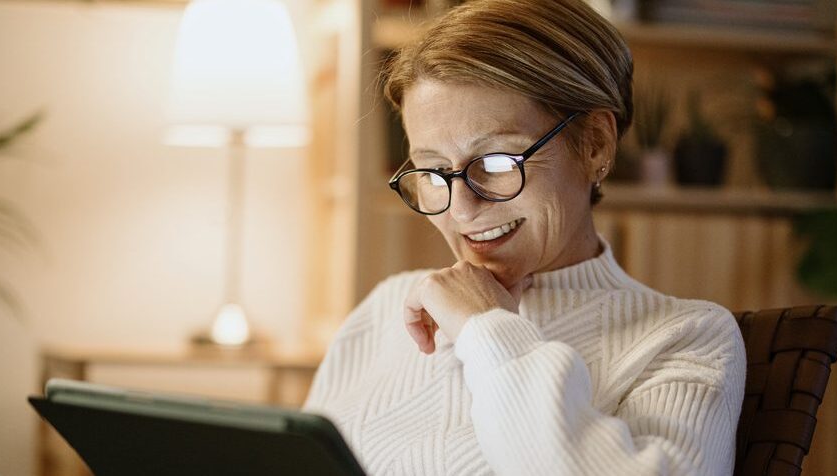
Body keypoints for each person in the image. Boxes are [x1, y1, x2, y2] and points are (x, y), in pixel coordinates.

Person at [301, 1, 746, 475]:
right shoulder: (387, 308)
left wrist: (488, 329)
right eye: (432, 170)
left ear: (595, 143)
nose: (461, 209)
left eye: (496, 163)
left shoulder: (686, 339)